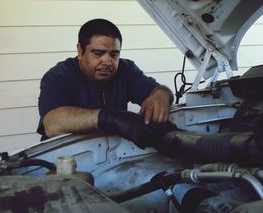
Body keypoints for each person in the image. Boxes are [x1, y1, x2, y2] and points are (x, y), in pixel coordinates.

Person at [37, 18, 176, 148]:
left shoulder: (125, 70)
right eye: (98, 53)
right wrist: (111, 119)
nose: (108, 62)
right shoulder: (59, 75)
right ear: (80, 51)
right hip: (63, 160)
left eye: (114, 54)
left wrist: (161, 96)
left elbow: (159, 90)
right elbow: (52, 123)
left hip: (110, 158)